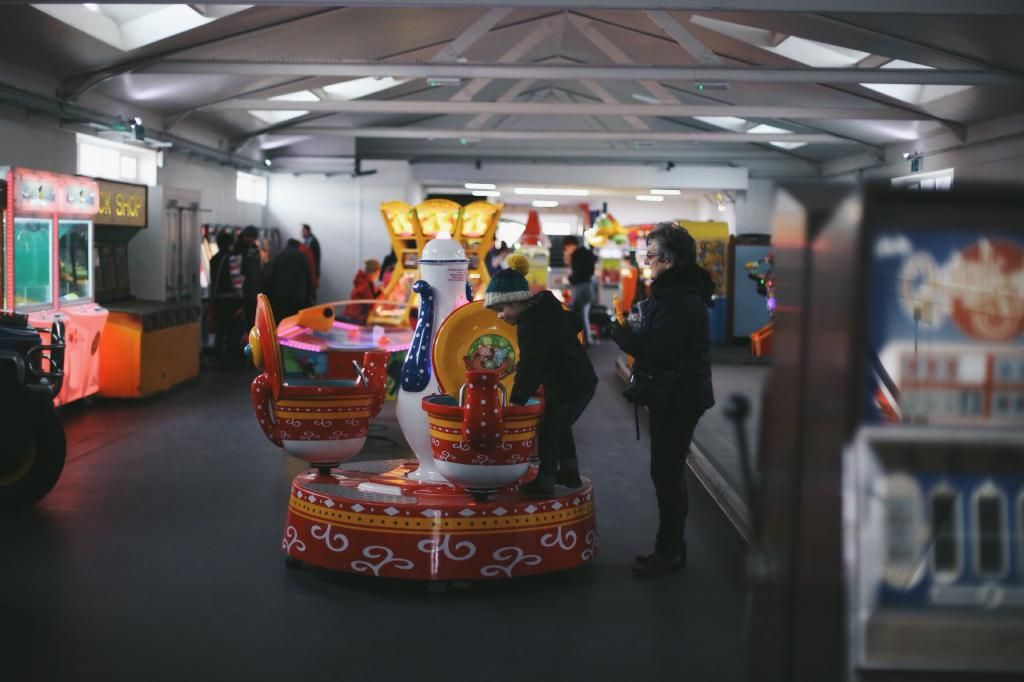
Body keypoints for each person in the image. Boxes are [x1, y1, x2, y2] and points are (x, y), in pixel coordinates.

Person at [610, 222, 715, 577]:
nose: (647, 261)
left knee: (667, 473)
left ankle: (670, 551)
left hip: (679, 394)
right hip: (676, 391)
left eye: (651, 255)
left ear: (669, 261)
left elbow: (661, 351)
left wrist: (624, 337)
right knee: (666, 471)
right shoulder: (676, 294)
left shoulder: (679, 299)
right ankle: (670, 548)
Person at [485, 254, 598, 497]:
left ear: (515, 302)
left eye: (501, 309)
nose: (501, 316)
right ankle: (569, 472)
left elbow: (530, 365)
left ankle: (545, 483)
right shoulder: (546, 308)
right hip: (572, 380)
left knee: (549, 431)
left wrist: (518, 398)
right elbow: (574, 322)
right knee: (560, 426)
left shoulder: (530, 325)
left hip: (572, 383)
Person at [208, 231, 242, 364]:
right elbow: (236, 281)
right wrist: (241, 298)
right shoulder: (231, 259)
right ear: (230, 244)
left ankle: (218, 356)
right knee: (232, 328)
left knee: (220, 330)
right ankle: (228, 356)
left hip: (217, 299)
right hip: (230, 300)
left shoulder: (213, 259)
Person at [261, 238, 314, 321]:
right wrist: (311, 293)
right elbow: (308, 277)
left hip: (281, 296)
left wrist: (265, 292)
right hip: (298, 296)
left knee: (282, 322)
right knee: (295, 322)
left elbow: (270, 276)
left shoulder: (279, 255)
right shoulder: (302, 256)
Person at [563, 236, 597, 346]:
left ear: (569, 245)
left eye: (566, 248)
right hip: (588, 287)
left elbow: (576, 275)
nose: (566, 250)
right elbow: (591, 272)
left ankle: (583, 342)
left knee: (579, 318)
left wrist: (569, 278)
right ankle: (587, 339)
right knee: (584, 316)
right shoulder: (588, 253)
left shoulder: (576, 255)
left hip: (580, 288)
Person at [238, 226, 264, 338]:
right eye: (251, 238)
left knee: (250, 318)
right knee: (244, 318)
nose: (252, 240)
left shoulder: (253, 249)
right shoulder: (240, 249)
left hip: (252, 290)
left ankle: (249, 340)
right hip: (244, 290)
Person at [343, 259, 381, 324]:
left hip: (350, 315)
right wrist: (380, 292)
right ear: (376, 272)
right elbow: (371, 303)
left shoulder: (361, 280)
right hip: (357, 318)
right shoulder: (368, 284)